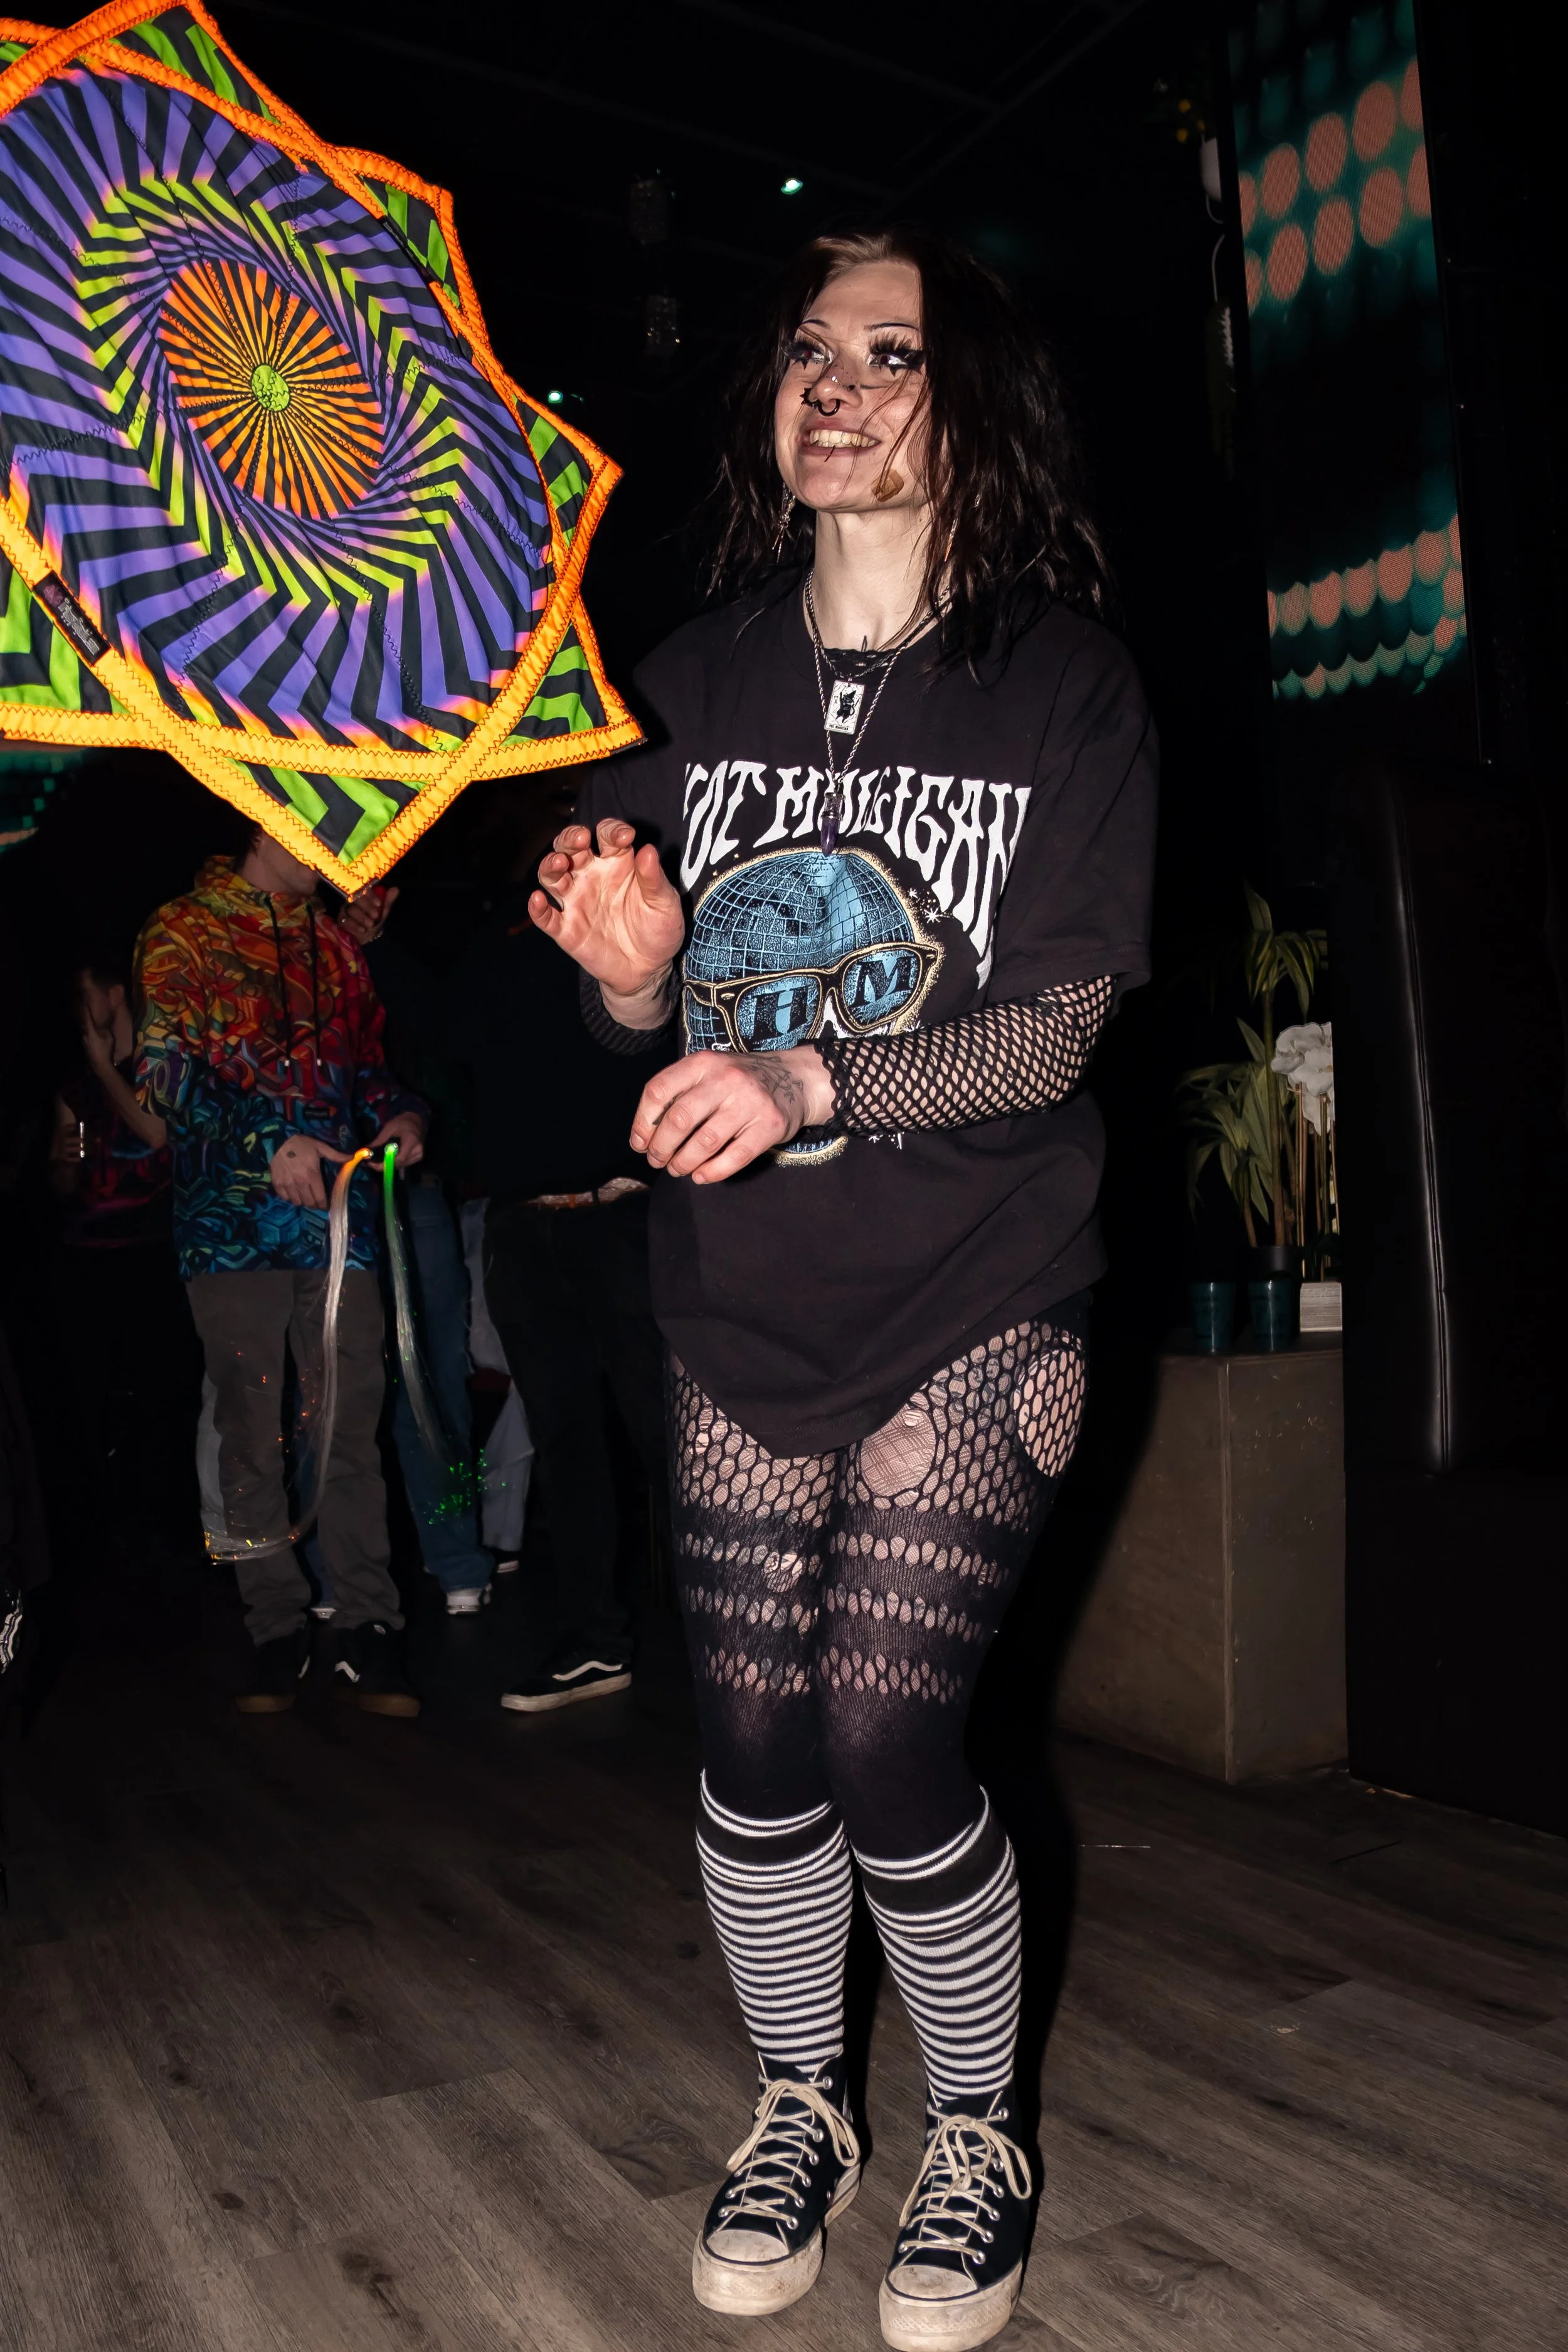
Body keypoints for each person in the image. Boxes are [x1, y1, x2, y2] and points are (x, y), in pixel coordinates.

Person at [531, 228, 1155, 2349]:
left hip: (982, 1288)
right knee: (761, 1747)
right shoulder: (690, 683)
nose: (836, 382)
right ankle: (804, 2100)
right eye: (809, 351)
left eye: (890, 352)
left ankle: (975, 2121)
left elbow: (1055, 1029)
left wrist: (809, 1065)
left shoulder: (1064, 685)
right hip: (742, 1301)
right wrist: (629, 977)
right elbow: (644, 1014)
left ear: (975, 398)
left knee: (897, 1734)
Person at [134, 829, 426, 1715]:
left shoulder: (337, 943)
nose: (330, 842)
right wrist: (269, 1140)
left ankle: (369, 1624)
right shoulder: (183, 928)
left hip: (342, 1222)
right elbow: (166, 1076)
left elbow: (367, 1066)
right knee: (250, 1427)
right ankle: (274, 1624)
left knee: (352, 1425)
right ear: (262, 816)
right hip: (232, 1228)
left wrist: (403, 1116)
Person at [453, 783, 667, 1708]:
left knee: (670, 1433)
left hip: (622, 1215)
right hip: (525, 1223)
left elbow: (654, 1043)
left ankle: (736, 1635)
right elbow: (449, 1058)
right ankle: (594, 1642)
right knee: (566, 1440)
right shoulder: (492, 934)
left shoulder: (637, 911)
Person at [47, 953, 201, 1558]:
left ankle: (171, 1524)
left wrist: (102, 1067)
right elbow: (62, 1187)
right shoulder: (75, 1085)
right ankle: (92, 1528)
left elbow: (158, 1135)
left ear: (115, 994)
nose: (79, 1013)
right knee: (86, 1392)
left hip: (156, 1252)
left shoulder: (157, 1066)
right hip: (87, 1257)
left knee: (167, 1393)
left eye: (86, 996)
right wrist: (59, 1165)